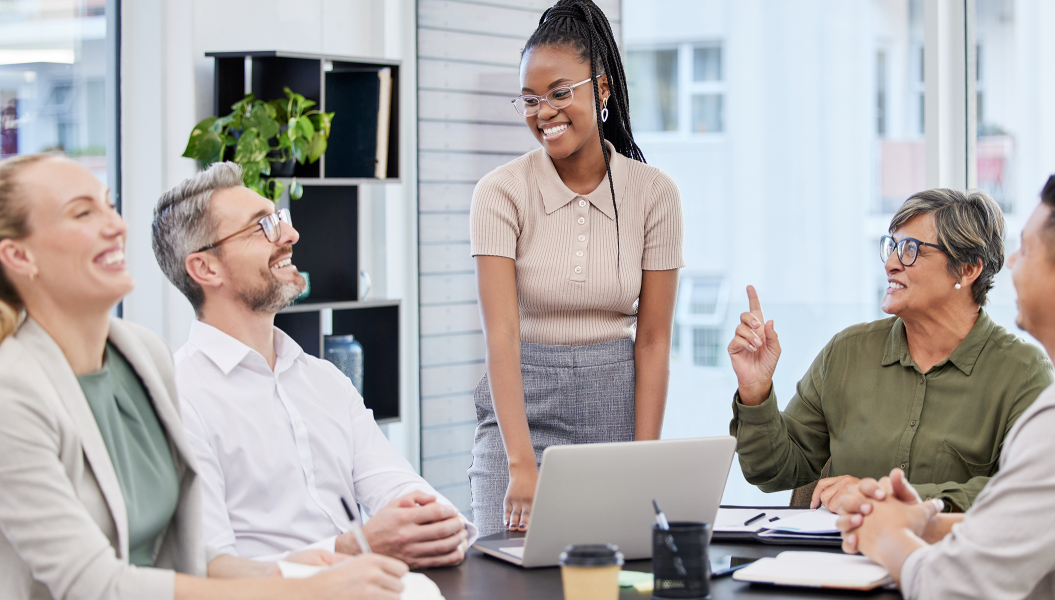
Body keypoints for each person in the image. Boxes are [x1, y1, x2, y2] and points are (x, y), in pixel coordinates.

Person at [0, 153, 407, 599]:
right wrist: (306, 590)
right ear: (18, 256)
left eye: (108, 205)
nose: (117, 226)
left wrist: (297, 571)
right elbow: (95, 585)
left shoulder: (140, 355)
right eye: (82, 213)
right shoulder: (13, 392)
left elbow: (193, 558)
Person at [836, 163, 1055, 599]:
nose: (1010, 262)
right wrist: (926, 523)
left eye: (1025, 250)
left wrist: (885, 536)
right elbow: (1036, 524)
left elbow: (953, 589)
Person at [151, 162, 476, 566]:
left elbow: (398, 488)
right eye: (262, 226)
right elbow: (210, 571)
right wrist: (352, 549)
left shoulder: (324, 380)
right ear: (206, 268)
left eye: (279, 219)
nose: (290, 235)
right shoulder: (179, 398)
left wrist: (435, 525)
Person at [468, 0, 683, 536]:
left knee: (612, 583)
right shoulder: (500, 193)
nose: (544, 112)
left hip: (616, 412)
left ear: (602, 88)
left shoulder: (654, 194)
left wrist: (643, 461)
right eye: (530, 100)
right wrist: (521, 463)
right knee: (509, 583)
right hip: (520, 420)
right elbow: (502, 335)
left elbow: (654, 341)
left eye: (560, 93)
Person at [728, 189, 1055, 512]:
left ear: (968, 269)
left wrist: (886, 497)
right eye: (893, 246)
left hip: (945, 560)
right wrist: (755, 391)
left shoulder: (1022, 372)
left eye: (911, 249)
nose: (891, 264)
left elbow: (1028, 489)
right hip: (836, 560)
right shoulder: (847, 352)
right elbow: (771, 471)